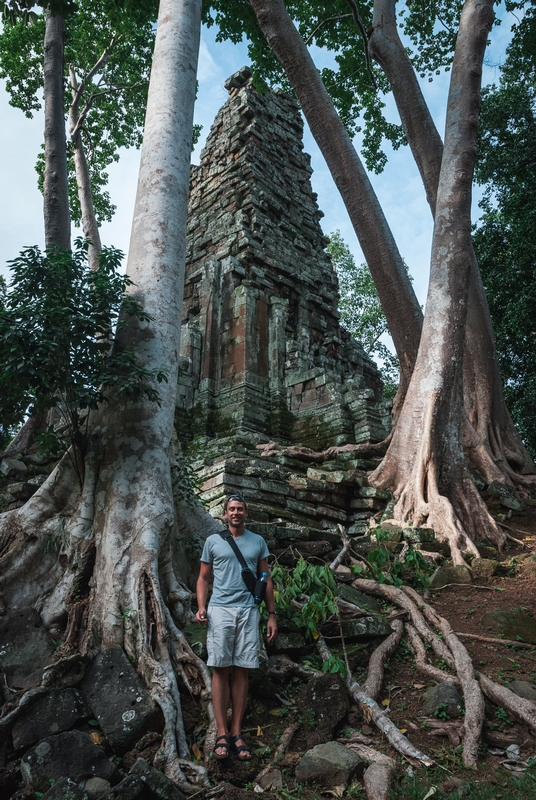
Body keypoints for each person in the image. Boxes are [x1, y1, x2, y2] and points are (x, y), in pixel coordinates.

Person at [195, 494, 278, 761]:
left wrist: (271, 615)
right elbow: (203, 578)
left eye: (240, 509)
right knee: (220, 668)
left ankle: (237, 731)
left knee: (242, 669)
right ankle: (221, 732)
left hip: (248, 611)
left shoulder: (257, 542)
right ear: (225, 513)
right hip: (220, 610)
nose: (236, 513)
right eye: (232, 509)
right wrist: (201, 606)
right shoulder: (213, 541)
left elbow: (265, 579)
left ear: (246, 513)